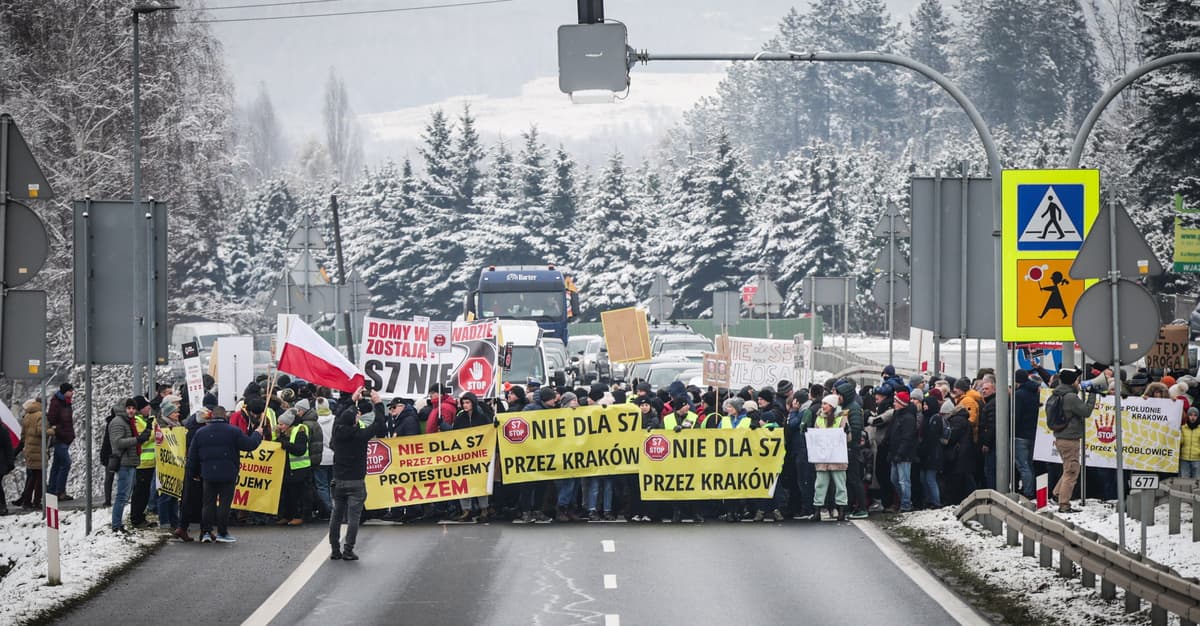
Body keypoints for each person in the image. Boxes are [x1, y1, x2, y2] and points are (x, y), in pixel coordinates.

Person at [187, 405, 264, 543]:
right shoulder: (233, 431)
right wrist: (257, 434)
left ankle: (206, 532)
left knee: (208, 504)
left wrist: (193, 473)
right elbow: (250, 445)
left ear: (212, 416)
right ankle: (222, 533)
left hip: (208, 473)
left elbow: (192, 456)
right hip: (228, 472)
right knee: (224, 504)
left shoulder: (201, 432)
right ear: (225, 416)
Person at [328, 388, 388, 560]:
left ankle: (335, 550)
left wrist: (350, 400)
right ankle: (348, 549)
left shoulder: (337, 432)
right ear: (354, 421)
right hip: (356, 481)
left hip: (338, 479)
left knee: (336, 516)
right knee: (353, 518)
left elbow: (339, 416)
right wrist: (378, 404)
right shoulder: (360, 435)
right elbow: (379, 425)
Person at [1051, 368, 1096, 513]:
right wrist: (1092, 395)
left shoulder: (1057, 393)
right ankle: (1064, 504)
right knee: (1072, 471)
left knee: (1068, 468)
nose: (1078, 383)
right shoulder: (1070, 397)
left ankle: (1057, 494)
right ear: (1072, 382)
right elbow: (1086, 411)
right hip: (1070, 439)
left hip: (1061, 437)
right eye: (1077, 380)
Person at [449, 392, 493, 522]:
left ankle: (484, 509)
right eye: (463, 403)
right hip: (464, 456)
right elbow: (454, 435)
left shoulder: (482, 417)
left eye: (467, 403)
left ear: (473, 403)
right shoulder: (460, 418)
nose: (465, 405)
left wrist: (494, 425)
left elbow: (489, 432)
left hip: (480, 456)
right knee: (464, 482)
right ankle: (466, 510)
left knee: (481, 482)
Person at [110, 399, 152, 532]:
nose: (131, 411)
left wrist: (144, 435)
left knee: (125, 496)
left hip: (131, 462)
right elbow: (118, 442)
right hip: (124, 463)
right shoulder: (118, 422)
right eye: (128, 408)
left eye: (133, 408)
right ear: (124, 408)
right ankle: (116, 525)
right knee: (122, 496)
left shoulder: (129, 421)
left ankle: (118, 524)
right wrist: (137, 439)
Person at [811, 394, 850, 522]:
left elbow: (848, 438)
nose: (822, 406)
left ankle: (841, 510)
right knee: (820, 484)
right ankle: (817, 510)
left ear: (832, 406)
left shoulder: (841, 418)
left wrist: (847, 433)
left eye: (825, 404)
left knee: (840, 484)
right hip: (823, 457)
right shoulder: (819, 418)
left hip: (837, 456)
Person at [835, 380, 868, 519]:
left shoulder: (853, 408)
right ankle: (850, 507)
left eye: (840, 395)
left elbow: (855, 428)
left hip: (852, 448)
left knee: (854, 479)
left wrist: (849, 441)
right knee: (848, 479)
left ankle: (862, 508)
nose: (838, 397)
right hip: (845, 448)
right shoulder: (844, 407)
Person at [276, 409, 313, 526]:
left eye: (282, 424)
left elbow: (300, 450)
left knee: (298, 494)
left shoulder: (300, 431)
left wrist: (285, 444)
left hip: (299, 469)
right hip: (288, 469)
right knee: (287, 494)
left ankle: (298, 516)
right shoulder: (283, 433)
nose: (280, 426)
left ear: (288, 424)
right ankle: (287, 515)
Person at [1012, 369, 1041, 499]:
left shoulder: (1018, 395)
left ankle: (1028, 492)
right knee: (1029, 464)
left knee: (1023, 465)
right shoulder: (1036, 393)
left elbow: (1015, 416)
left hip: (1020, 434)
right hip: (1033, 433)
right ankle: (1030, 490)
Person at [889, 390, 919, 513]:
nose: (894, 403)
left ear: (902, 403)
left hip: (904, 455)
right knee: (894, 479)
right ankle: (904, 500)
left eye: (896, 401)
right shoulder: (897, 415)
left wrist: (900, 453)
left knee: (904, 480)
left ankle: (906, 504)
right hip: (895, 453)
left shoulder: (908, 418)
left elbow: (907, 438)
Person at [130, 396, 157, 527]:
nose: (149, 408)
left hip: (150, 462)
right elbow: (145, 438)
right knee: (140, 493)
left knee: (145, 492)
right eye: (146, 406)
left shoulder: (146, 419)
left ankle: (141, 517)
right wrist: (153, 428)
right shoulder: (137, 420)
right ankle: (136, 518)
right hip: (142, 462)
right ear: (140, 408)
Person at [46, 383, 76, 500]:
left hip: (65, 438)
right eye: (70, 391)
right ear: (65, 391)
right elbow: (51, 419)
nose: (72, 393)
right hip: (59, 438)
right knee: (66, 463)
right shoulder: (57, 403)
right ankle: (59, 491)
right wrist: (58, 429)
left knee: (57, 465)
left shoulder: (66, 403)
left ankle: (52, 491)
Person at [13, 399, 44, 509]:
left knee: (32, 476)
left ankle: (26, 500)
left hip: (29, 450)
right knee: (39, 477)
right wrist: (51, 431)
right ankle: (35, 501)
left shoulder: (26, 417)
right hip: (38, 450)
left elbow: (23, 437)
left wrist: (15, 452)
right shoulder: (41, 416)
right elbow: (41, 432)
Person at [916, 389, 944, 509]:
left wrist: (923, 448)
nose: (924, 407)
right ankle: (928, 500)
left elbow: (932, 437)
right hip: (926, 454)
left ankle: (936, 502)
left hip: (932, 454)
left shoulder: (935, 419)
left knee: (930, 479)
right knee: (924, 478)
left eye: (926, 405)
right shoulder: (926, 418)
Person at [978, 379, 997, 490]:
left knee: (990, 470)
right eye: (983, 389)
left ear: (994, 390)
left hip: (992, 444)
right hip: (993, 442)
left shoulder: (991, 405)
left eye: (987, 389)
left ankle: (992, 492)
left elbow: (991, 426)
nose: (984, 391)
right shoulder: (990, 403)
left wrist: (986, 443)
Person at [1178, 407, 1199, 478]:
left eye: (1195, 415)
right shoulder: (1182, 428)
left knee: (1197, 481)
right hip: (1184, 459)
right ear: (1188, 416)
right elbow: (1180, 442)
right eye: (1191, 415)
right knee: (1184, 480)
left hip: (1197, 460)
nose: (1193, 417)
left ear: (1197, 417)